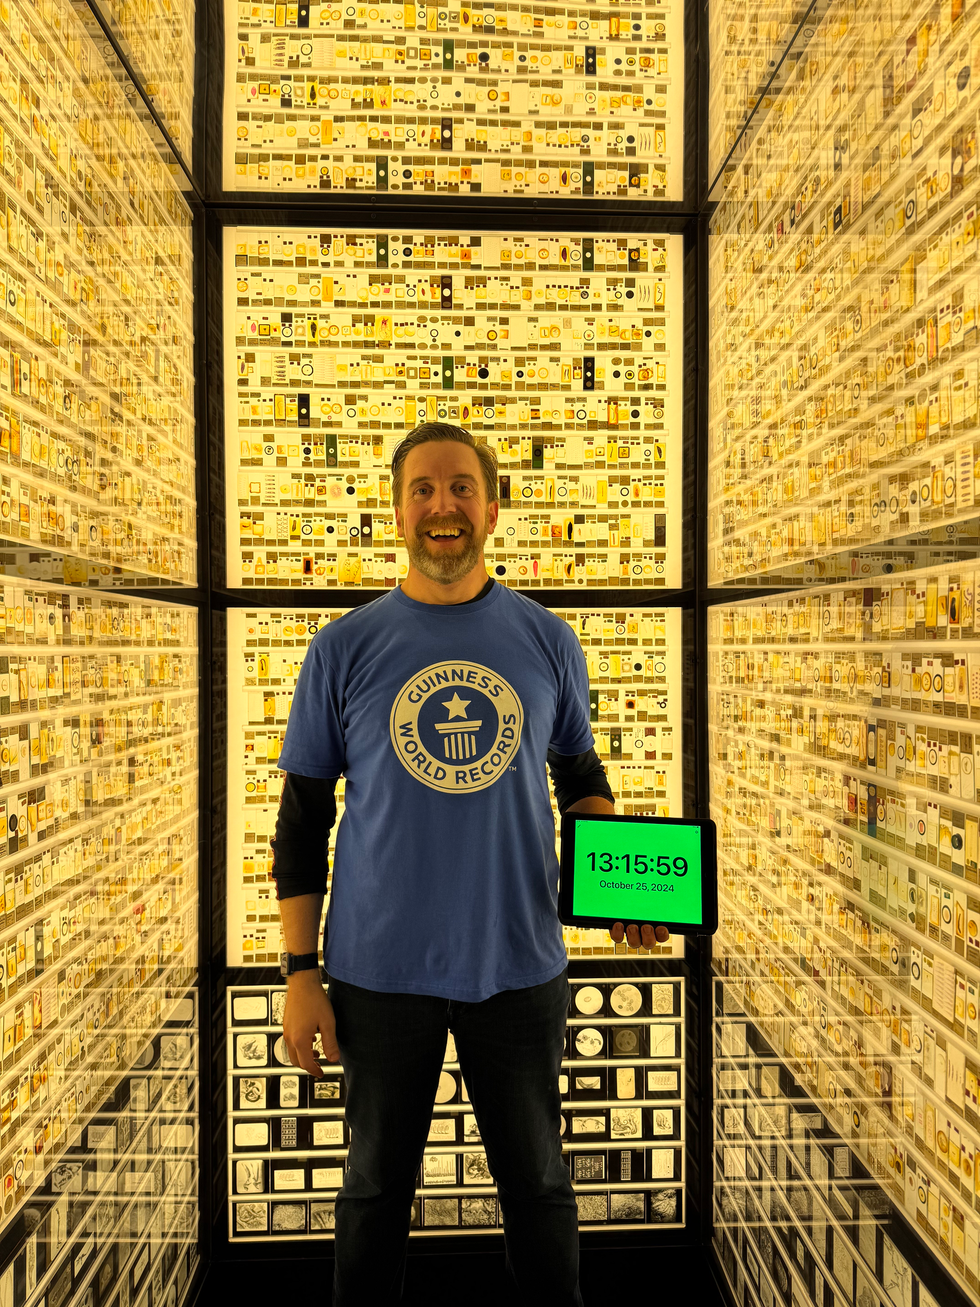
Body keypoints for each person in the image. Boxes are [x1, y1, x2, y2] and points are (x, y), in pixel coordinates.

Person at [271, 423, 669, 1305]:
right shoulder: (342, 648)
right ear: (398, 511)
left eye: (460, 488)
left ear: (492, 507)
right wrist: (301, 973)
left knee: (539, 1190)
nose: (441, 506)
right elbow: (300, 823)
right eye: (422, 489)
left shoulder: (549, 639)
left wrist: (622, 883)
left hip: (520, 966)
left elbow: (581, 776)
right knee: (374, 1192)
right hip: (377, 975)